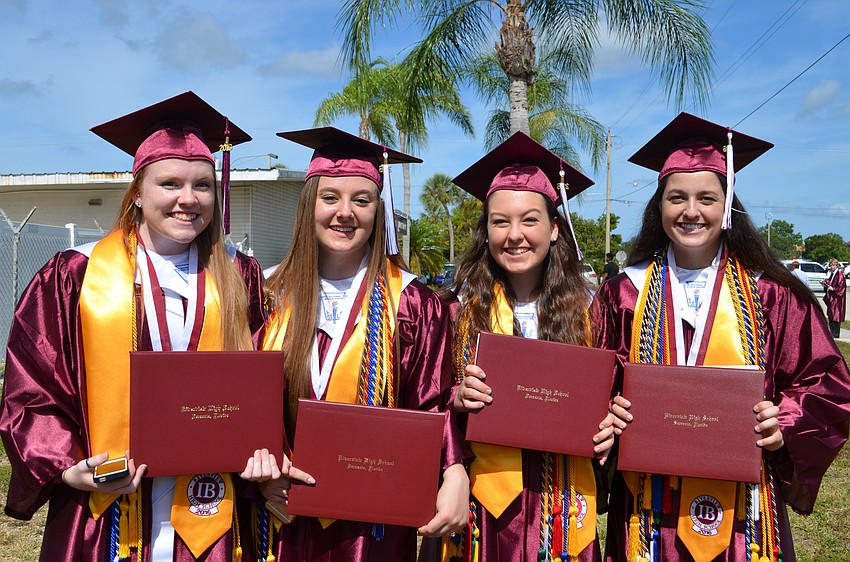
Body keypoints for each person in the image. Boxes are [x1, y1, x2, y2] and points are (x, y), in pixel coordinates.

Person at [0, 92, 267, 561]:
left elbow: (265, 381)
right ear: (138, 193)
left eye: (202, 185)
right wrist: (66, 466)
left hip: (211, 500)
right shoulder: (75, 273)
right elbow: (31, 383)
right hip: (106, 503)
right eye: (170, 183)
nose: (188, 199)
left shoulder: (239, 274)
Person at [592, 112, 850, 562]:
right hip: (649, 513)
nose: (691, 211)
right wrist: (609, 411)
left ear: (727, 205)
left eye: (707, 198)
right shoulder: (624, 293)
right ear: (660, 206)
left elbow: (827, 384)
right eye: (677, 197)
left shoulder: (770, 293)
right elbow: (593, 381)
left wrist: (784, 421)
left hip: (744, 512)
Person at [244, 127, 470, 561]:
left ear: (377, 211)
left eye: (361, 200)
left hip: (375, 527)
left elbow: (432, 404)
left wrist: (454, 469)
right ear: (309, 204)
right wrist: (261, 468)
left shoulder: (413, 302)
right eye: (330, 197)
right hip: (281, 514)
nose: (344, 212)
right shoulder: (268, 295)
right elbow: (246, 400)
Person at [447, 131, 611, 562]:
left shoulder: (592, 312)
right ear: (486, 231)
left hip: (564, 501)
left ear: (555, 229)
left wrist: (611, 423)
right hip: (485, 503)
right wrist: (458, 398)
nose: (514, 234)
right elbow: (427, 399)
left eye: (530, 220)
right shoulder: (458, 312)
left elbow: (616, 395)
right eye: (500, 221)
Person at [823, 258, 846, 338]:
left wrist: (833, 289)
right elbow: (830, 282)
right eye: (830, 265)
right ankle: (832, 333)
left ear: (836, 265)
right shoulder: (833, 274)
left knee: (836, 315)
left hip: (836, 299)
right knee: (831, 315)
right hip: (832, 298)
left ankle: (835, 334)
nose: (831, 267)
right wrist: (825, 283)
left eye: (833, 265)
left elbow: (841, 287)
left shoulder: (839, 274)